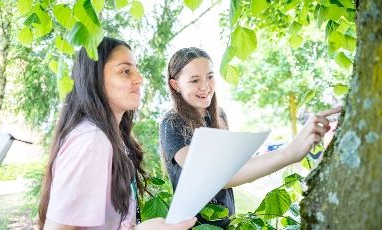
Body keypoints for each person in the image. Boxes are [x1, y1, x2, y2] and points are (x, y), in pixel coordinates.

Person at [160, 47, 342, 228]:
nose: (205, 87)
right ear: (175, 85)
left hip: (227, 223)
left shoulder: (218, 116)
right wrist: (288, 153)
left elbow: (234, 165)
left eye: (209, 76)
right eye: (194, 80)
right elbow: (218, 177)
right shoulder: (172, 123)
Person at [38, 37, 196, 230]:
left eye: (136, 69)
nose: (139, 78)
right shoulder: (91, 141)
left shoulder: (111, 138)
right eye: (125, 71)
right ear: (94, 78)